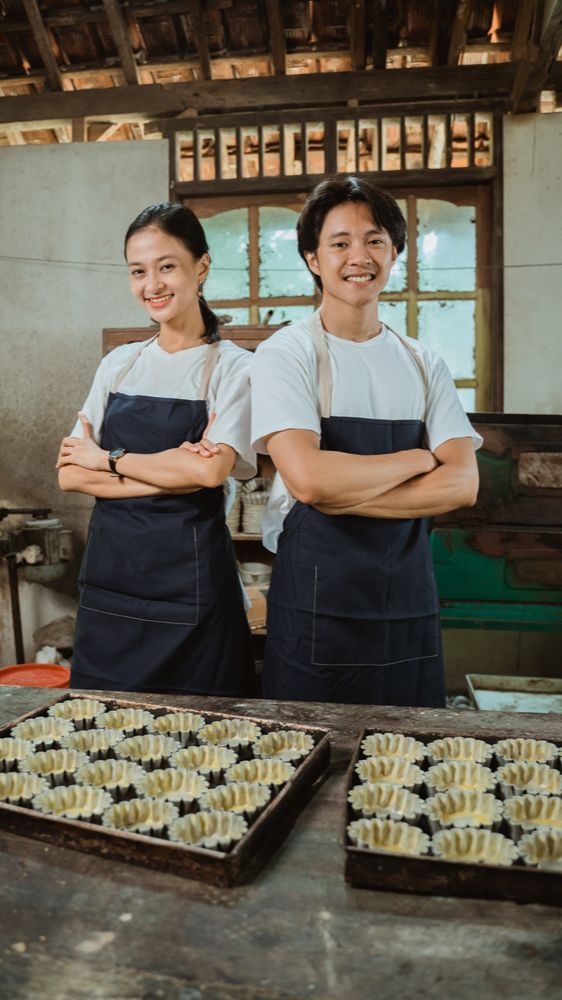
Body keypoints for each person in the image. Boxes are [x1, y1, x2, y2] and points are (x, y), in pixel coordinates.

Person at [251, 176, 482, 707]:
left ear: (395, 253)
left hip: (406, 606)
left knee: (406, 763)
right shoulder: (286, 354)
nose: (360, 256)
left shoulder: (424, 364)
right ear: (313, 258)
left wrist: (340, 494)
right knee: (310, 754)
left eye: (375, 240)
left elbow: (462, 484)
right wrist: (416, 458)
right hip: (316, 611)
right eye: (340, 243)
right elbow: (307, 479)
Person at [57, 202, 255, 696]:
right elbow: (69, 476)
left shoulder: (234, 368)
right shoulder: (119, 364)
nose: (153, 285)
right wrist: (175, 470)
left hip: (192, 596)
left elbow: (211, 475)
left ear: (201, 267)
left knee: (200, 746)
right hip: (111, 592)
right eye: (138, 271)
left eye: (167, 266)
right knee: (100, 734)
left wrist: (108, 460)